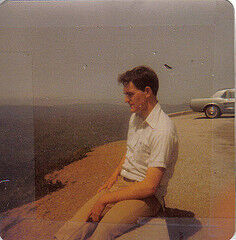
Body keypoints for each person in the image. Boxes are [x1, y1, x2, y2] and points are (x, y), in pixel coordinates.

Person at [54, 66, 179, 240]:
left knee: (101, 232)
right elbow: (131, 152)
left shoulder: (162, 130)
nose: (126, 100)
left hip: (146, 196)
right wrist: (113, 178)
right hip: (122, 184)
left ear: (147, 92)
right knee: (74, 227)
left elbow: (150, 186)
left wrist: (105, 199)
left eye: (130, 94)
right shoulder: (136, 117)